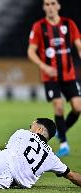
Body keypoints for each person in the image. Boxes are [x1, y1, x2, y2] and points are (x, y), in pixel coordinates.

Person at [27, 0, 81, 157]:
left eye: (53, 3)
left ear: (58, 6)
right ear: (44, 7)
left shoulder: (68, 24)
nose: (50, 7)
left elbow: (79, 44)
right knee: (59, 106)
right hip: (50, 76)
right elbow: (31, 52)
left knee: (78, 108)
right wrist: (44, 67)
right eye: (47, 4)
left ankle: (60, 130)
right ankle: (64, 143)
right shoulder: (39, 26)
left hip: (68, 74)